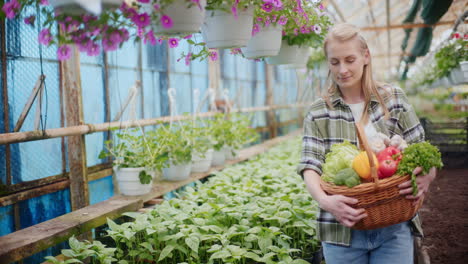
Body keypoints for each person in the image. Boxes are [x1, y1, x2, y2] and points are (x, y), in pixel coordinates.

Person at [296, 23, 437, 264]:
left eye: (350, 60)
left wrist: (428, 175)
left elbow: (423, 150)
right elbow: (310, 164)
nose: (342, 70)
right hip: (341, 229)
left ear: (366, 56)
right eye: (334, 62)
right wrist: (325, 200)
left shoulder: (393, 99)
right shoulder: (319, 111)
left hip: (394, 225)